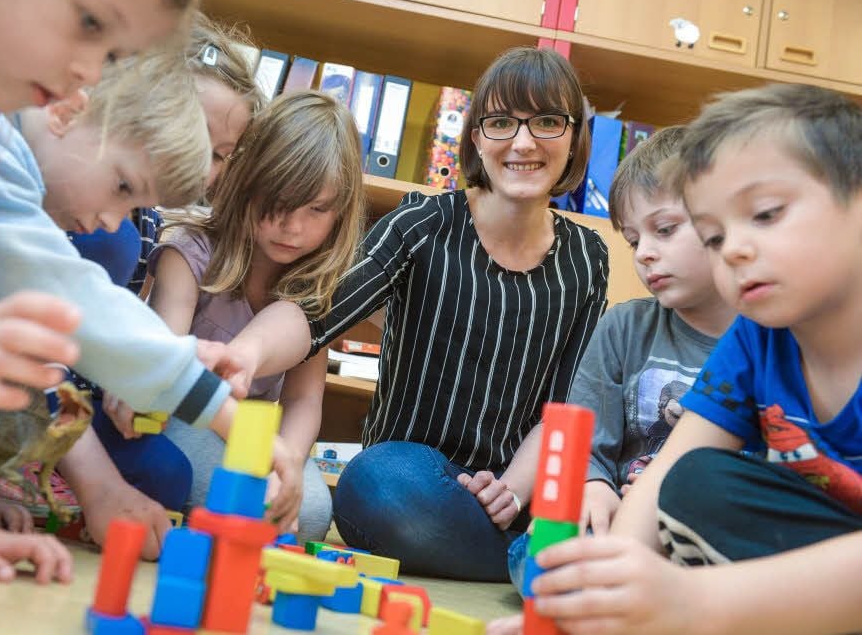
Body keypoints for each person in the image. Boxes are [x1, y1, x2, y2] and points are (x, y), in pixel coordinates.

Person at [0, 38, 295, 579]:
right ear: (69, 109)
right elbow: (66, 292)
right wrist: (220, 408)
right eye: (120, 187)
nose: (115, 221)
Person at [490, 84, 862, 635]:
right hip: (807, 560)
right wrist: (599, 603)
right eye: (714, 237)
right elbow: (669, 475)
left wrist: (693, 602)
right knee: (696, 482)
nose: (732, 249)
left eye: (765, 213)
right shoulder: (756, 338)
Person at [226, 47, 609, 580]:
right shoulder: (423, 223)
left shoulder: (589, 258)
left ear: (574, 137)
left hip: (511, 493)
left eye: (547, 121)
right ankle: (530, 564)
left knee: (601, 509)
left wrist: (512, 490)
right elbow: (318, 310)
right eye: (501, 123)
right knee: (374, 481)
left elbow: (566, 405)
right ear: (475, 136)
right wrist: (244, 353)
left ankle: (524, 552)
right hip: (409, 479)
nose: (523, 143)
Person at [102, 90, 367, 541]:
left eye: (317, 209)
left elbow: (304, 400)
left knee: (314, 510)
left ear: (341, 211)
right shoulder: (191, 251)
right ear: (246, 182)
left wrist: (288, 464)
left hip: (254, 438)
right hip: (184, 415)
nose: (293, 227)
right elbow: (167, 364)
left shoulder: (320, 285)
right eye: (277, 203)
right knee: (235, 496)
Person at [504, 126, 737, 593]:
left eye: (665, 230)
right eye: (633, 240)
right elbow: (585, 440)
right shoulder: (624, 328)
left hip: (709, 529)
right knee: (539, 561)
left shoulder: (767, 339)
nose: (646, 254)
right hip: (616, 519)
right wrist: (595, 486)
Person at [69, 13, 263, 296]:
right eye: (195, 132)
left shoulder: (149, 227)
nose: (200, 164)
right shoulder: (63, 180)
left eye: (220, 155)